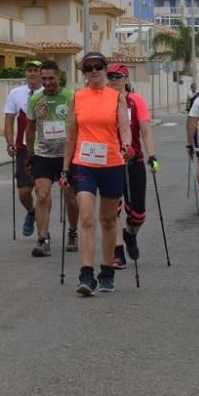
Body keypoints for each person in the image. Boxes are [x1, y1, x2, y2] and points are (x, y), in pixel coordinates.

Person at [61, 52, 131, 296]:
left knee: (109, 220)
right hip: (84, 164)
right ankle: (86, 274)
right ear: (84, 73)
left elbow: (124, 128)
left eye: (98, 66)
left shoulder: (117, 98)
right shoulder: (77, 98)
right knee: (87, 218)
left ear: (105, 68)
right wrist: (65, 169)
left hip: (112, 163)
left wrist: (126, 145)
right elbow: (70, 136)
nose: (93, 71)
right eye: (88, 68)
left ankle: (107, 272)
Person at [104, 64, 158, 268]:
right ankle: (118, 253)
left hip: (133, 161)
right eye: (110, 76)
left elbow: (145, 131)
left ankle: (129, 234)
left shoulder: (136, 101)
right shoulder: (104, 101)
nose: (113, 80)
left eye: (117, 76)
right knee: (113, 210)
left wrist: (152, 156)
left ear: (126, 79)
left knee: (138, 214)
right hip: (110, 161)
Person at [25, 60, 79, 257]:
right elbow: (30, 129)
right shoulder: (35, 100)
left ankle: (73, 232)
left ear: (59, 77)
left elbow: (79, 126)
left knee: (70, 197)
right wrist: (29, 155)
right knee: (42, 195)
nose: (47, 82)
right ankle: (43, 239)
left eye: (51, 78)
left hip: (67, 155)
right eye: (44, 78)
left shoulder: (71, 97)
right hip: (43, 155)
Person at [4, 60, 44, 237]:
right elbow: (9, 119)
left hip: (44, 149)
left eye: (36, 70)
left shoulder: (48, 93)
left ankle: (44, 232)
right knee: (24, 192)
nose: (33, 74)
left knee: (41, 191)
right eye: (29, 70)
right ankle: (31, 212)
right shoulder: (15, 93)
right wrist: (10, 142)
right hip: (23, 149)